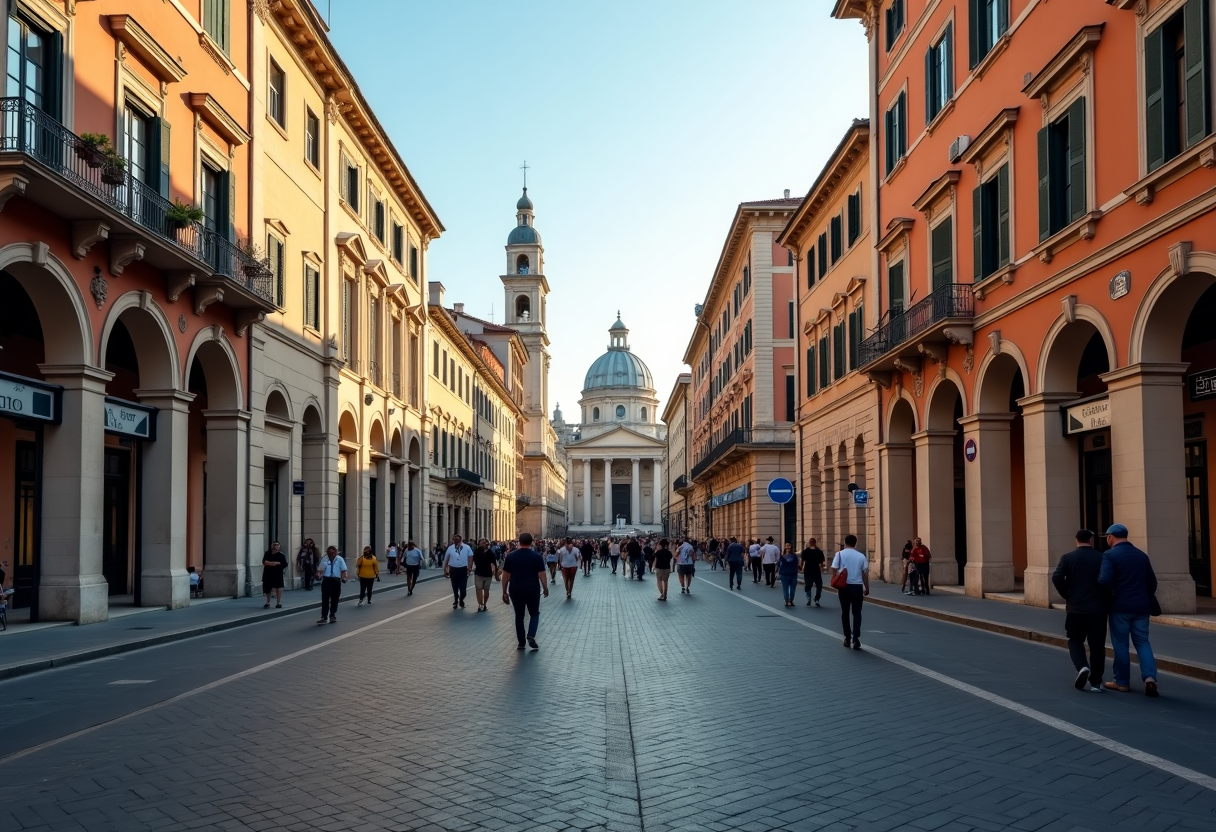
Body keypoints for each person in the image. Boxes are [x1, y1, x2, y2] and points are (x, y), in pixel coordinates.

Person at [1098, 524, 1160, 697]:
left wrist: (1110, 596)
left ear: (1110, 537)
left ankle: (1122, 682)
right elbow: (1152, 583)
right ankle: (1150, 678)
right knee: (1142, 642)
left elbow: (1104, 580)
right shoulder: (1141, 555)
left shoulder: (1109, 555)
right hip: (1141, 606)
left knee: (1121, 644)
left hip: (1120, 606)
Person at [1051, 530, 1107, 692]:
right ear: (1091, 540)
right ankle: (1096, 682)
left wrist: (1067, 594)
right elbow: (1108, 580)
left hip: (1076, 608)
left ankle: (1082, 666)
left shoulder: (1068, 558)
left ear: (1076, 540)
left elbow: (1056, 577)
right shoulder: (1101, 557)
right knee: (1097, 645)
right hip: (1098, 609)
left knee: (1075, 640)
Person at [501, 532, 548, 649]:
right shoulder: (537, 556)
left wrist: (504, 591)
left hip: (515, 589)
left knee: (519, 615)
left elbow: (505, 575)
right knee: (534, 613)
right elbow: (541, 574)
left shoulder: (511, 556)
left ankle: (521, 642)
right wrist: (545, 587)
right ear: (531, 542)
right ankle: (531, 635)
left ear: (519, 542)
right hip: (532, 589)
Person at [830, 534, 870, 650]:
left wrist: (834, 578)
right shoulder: (861, 556)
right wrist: (866, 587)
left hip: (844, 586)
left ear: (845, 542)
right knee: (857, 613)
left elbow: (834, 568)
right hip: (857, 586)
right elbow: (864, 573)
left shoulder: (839, 554)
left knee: (845, 612)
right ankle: (856, 638)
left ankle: (847, 638)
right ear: (855, 543)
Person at [316, 546, 348, 624]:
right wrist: (318, 575)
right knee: (325, 599)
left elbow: (344, 570)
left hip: (336, 581)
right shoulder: (325, 559)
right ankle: (324, 617)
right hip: (326, 580)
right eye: (329, 552)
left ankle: (332, 615)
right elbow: (320, 570)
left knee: (335, 599)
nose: (331, 553)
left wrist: (344, 578)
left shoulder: (339, 559)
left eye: (333, 552)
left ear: (336, 552)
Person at [443, 534, 474, 610]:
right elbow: (446, 559)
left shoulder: (467, 547)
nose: (456, 541)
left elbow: (470, 557)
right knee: (455, 587)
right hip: (453, 569)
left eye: (458, 540)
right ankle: (456, 600)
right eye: (455, 540)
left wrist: (469, 567)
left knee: (463, 589)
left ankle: (461, 599)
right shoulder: (450, 548)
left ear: (460, 540)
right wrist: (445, 569)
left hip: (463, 570)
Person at [472, 538, 498, 612]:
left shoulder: (491, 553)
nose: (483, 544)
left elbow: (494, 563)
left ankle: (485, 603)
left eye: (484, 543)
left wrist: (494, 570)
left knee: (486, 590)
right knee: (479, 589)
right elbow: (474, 560)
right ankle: (480, 604)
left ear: (487, 544)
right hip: (478, 573)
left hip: (488, 574)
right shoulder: (477, 552)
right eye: (481, 543)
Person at [262, 541, 288, 609]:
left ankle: (278, 602)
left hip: (278, 573)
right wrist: (275, 563)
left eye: (277, 545)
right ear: (271, 546)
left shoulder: (281, 555)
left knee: (279, 587)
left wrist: (274, 563)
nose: (275, 547)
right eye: (274, 545)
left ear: (279, 547)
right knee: (267, 588)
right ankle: (267, 602)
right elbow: (265, 562)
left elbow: (284, 564)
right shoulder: (267, 554)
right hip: (268, 573)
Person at [801, 538, 825, 607]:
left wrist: (801, 568)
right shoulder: (819, 551)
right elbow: (822, 562)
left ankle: (809, 598)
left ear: (809, 543)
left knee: (808, 585)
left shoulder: (805, 551)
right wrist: (822, 569)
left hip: (808, 570)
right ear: (815, 542)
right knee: (819, 586)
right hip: (816, 570)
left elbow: (802, 561)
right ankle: (817, 599)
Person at [777, 542, 800, 607]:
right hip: (784, 575)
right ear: (784, 547)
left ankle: (791, 600)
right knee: (785, 588)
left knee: (792, 589)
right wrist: (777, 573)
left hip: (793, 574)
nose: (788, 547)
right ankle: (787, 601)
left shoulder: (794, 556)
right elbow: (779, 565)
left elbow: (797, 564)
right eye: (786, 546)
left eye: (789, 545)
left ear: (791, 547)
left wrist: (799, 569)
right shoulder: (782, 556)